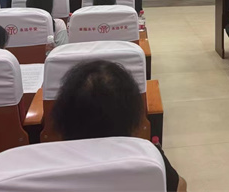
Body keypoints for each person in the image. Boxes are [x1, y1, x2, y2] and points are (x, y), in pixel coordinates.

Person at [52, 60, 187, 192]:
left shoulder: (48, 163)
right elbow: (180, 186)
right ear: (133, 117)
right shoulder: (148, 159)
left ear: (62, 116)